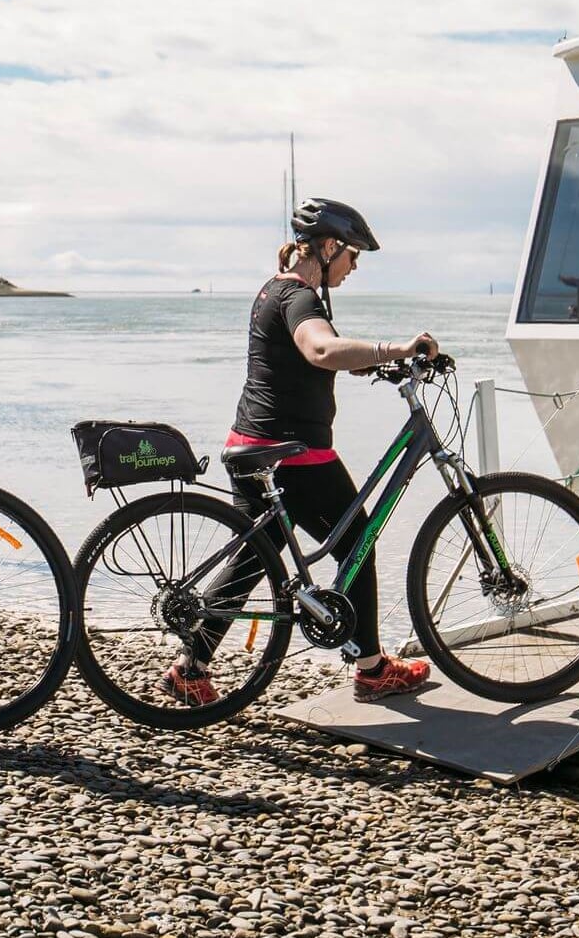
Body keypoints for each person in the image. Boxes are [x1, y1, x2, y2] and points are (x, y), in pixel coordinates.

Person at [171, 196, 438, 706]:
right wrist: (397, 349)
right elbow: (319, 349)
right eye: (352, 255)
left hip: (250, 444)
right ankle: (372, 668)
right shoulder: (300, 299)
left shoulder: (273, 292)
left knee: (255, 558)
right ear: (329, 246)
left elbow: (307, 359)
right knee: (357, 540)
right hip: (293, 455)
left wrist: (365, 365)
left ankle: (191, 667)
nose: (354, 266)